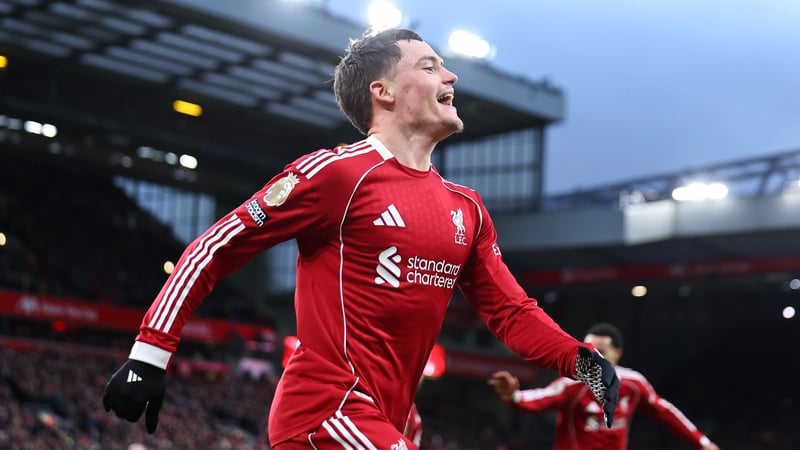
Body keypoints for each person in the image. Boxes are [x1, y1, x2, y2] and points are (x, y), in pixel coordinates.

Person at [101, 28, 620, 449]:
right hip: (326, 413)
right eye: (430, 66)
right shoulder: (338, 174)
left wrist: (581, 361)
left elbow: (510, 311)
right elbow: (215, 248)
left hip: (389, 421)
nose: (451, 75)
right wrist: (149, 355)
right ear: (383, 91)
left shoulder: (467, 209)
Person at [489, 323, 719, 450]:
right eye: (588, 352)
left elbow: (666, 413)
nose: (593, 359)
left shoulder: (634, 384)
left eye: (601, 352)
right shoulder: (570, 386)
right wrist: (512, 395)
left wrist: (703, 443)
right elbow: (534, 400)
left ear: (618, 353)